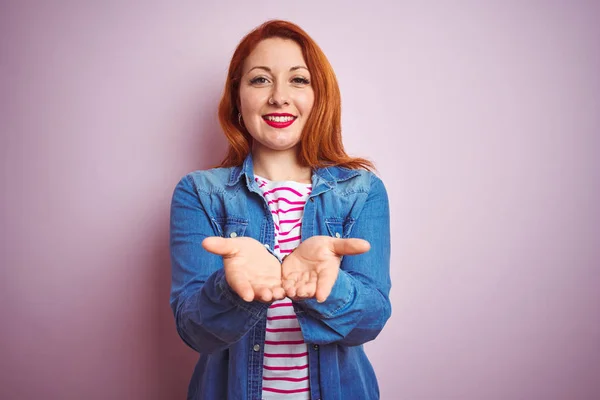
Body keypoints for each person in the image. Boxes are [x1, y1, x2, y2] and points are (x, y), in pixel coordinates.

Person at [169, 19, 391, 400]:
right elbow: (193, 332)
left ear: (319, 96)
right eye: (260, 80)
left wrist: (328, 286)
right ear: (237, 97)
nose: (279, 97)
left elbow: (369, 322)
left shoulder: (362, 190)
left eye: (298, 80)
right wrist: (232, 289)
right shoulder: (199, 193)